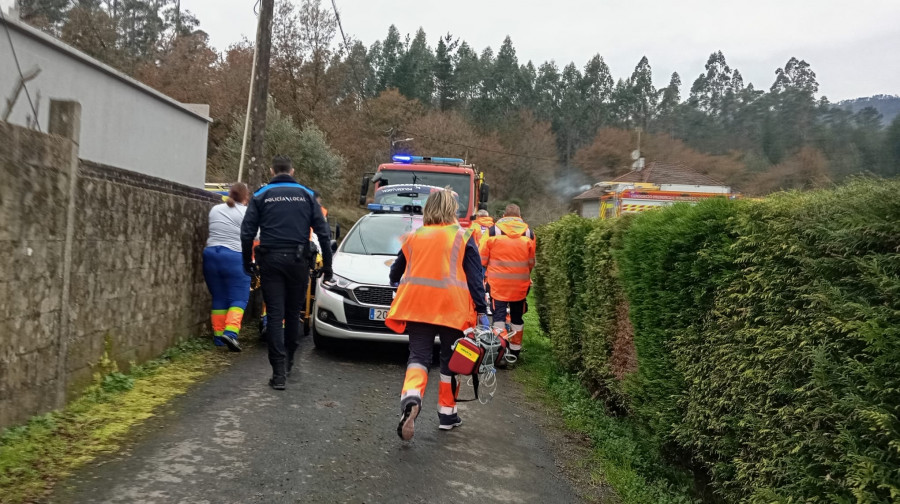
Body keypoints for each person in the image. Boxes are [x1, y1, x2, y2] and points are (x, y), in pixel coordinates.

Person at [386, 188, 489, 441]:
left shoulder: (414, 236)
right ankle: (447, 414)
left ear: (428, 209)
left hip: (417, 308)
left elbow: (395, 272)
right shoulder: (463, 236)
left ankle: (412, 397)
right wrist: (482, 311)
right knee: (449, 361)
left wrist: (396, 283)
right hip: (451, 310)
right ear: (452, 210)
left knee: (418, 357)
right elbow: (476, 279)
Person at [241, 156, 333, 390]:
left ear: (272, 170)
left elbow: (247, 232)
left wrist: (246, 261)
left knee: (274, 315)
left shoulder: (261, 195)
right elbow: (323, 233)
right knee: (294, 313)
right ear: (292, 171)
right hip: (298, 261)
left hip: (270, 259)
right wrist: (328, 266)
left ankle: (278, 372)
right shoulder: (307, 194)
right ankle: (290, 361)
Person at [480, 204, 535, 362]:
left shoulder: (492, 231)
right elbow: (531, 262)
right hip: (520, 284)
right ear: (520, 216)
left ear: (504, 215)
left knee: (499, 317)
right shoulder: (529, 233)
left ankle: (500, 351)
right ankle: (515, 352)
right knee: (517, 317)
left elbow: (482, 259)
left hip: (498, 284)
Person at [203, 183, 252, 352]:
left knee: (219, 296)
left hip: (210, 255)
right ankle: (230, 333)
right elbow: (257, 235)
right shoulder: (246, 213)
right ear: (246, 197)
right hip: (234, 257)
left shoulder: (215, 209)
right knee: (239, 298)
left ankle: (218, 337)